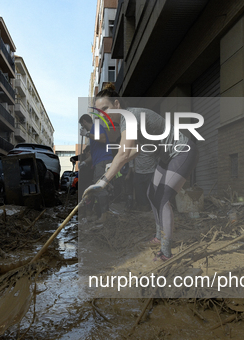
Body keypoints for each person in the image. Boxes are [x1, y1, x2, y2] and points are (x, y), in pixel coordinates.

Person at [83, 83, 199, 261]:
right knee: (152, 193)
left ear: (116, 104)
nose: (102, 114)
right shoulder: (127, 121)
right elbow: (133, 151)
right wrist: (113, 165)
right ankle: (159, 237)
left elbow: (122, 154)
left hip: (182, 151)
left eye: (105, 108)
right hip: (167, 157)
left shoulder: (129, 117)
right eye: (99, 112)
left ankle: (166, 253)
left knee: (162, 198)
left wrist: (103, 182)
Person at [78, 114, 113, 222]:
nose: (82, 128)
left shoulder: (96, 128)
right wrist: (84, 162)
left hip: (104, 161)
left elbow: (103, 139)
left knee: (99, 188)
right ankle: (102, 213)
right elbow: (93, 155)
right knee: (98, 188)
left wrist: (87, 134)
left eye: (82, 126)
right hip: (99, 161)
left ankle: (104, 215)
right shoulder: (92, 137)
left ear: (84, 122)